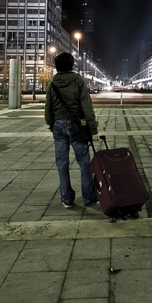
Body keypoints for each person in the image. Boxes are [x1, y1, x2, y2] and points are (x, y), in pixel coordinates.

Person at [45, 52, 99, 208]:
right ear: (71, 65)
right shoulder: (78, 81)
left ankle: (67, 199)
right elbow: (87, 107)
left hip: (58, 126)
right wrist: (93, 129)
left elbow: (48, 107)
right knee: (84, 162)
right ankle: (89, 197)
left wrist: (51, 123)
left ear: (57, 66)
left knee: (62, 163)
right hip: (77, 126)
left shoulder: (52, 84)